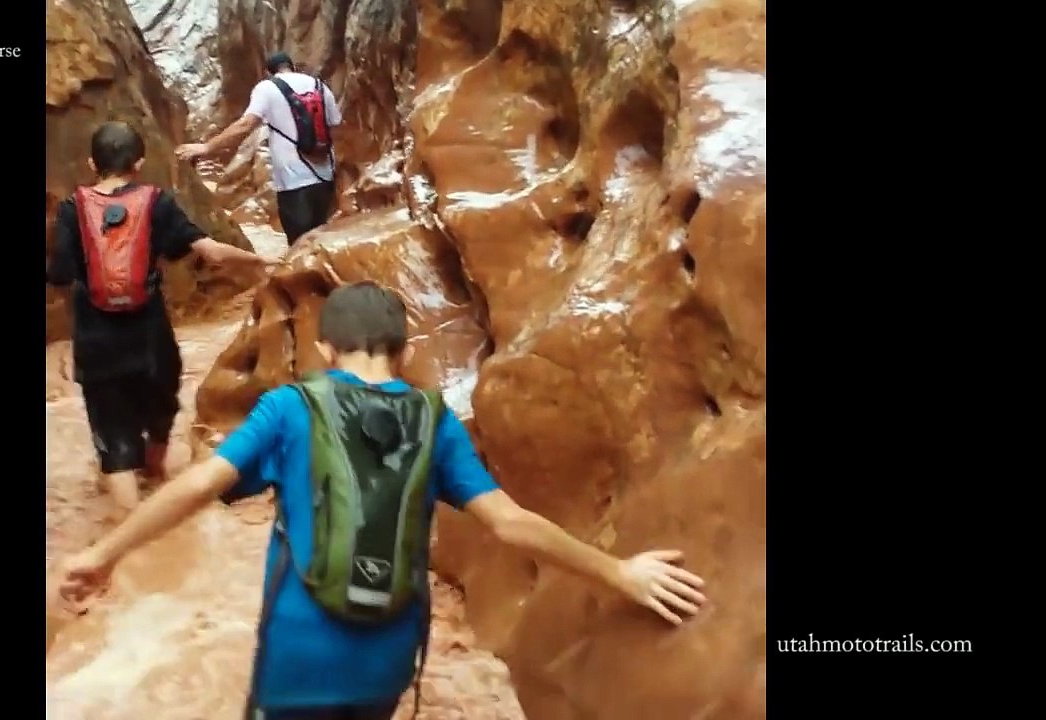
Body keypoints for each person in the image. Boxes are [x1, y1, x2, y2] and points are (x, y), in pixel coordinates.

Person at [52, 282, 708, 719]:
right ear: (400, 350)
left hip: (297, 656)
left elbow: (199, 485)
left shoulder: (289, 406)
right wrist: (619, 571)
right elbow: (509, 524)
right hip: (387, 655)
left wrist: (105, 554)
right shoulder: (434, 421)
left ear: (326, 347)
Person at [47, 120, 270, 520]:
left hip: (97, 344)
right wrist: (254, 260)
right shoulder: (157, 202)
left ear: (90, 163)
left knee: (114, 442)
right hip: (150, 339)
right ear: (140, 162)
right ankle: (157, 486)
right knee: (161, 412)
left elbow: (60, 273)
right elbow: (211, 252)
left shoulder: (72, 209)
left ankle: (129, 550)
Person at [176, 51, 341, 246]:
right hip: (325, 178)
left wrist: (207, 148)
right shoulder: (320, 86)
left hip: (294, 182)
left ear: (268, 72)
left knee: (300, 245)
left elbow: (245, 125)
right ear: (292, 66)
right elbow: (336, 126)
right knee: (321, 239)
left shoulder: (267, 88)